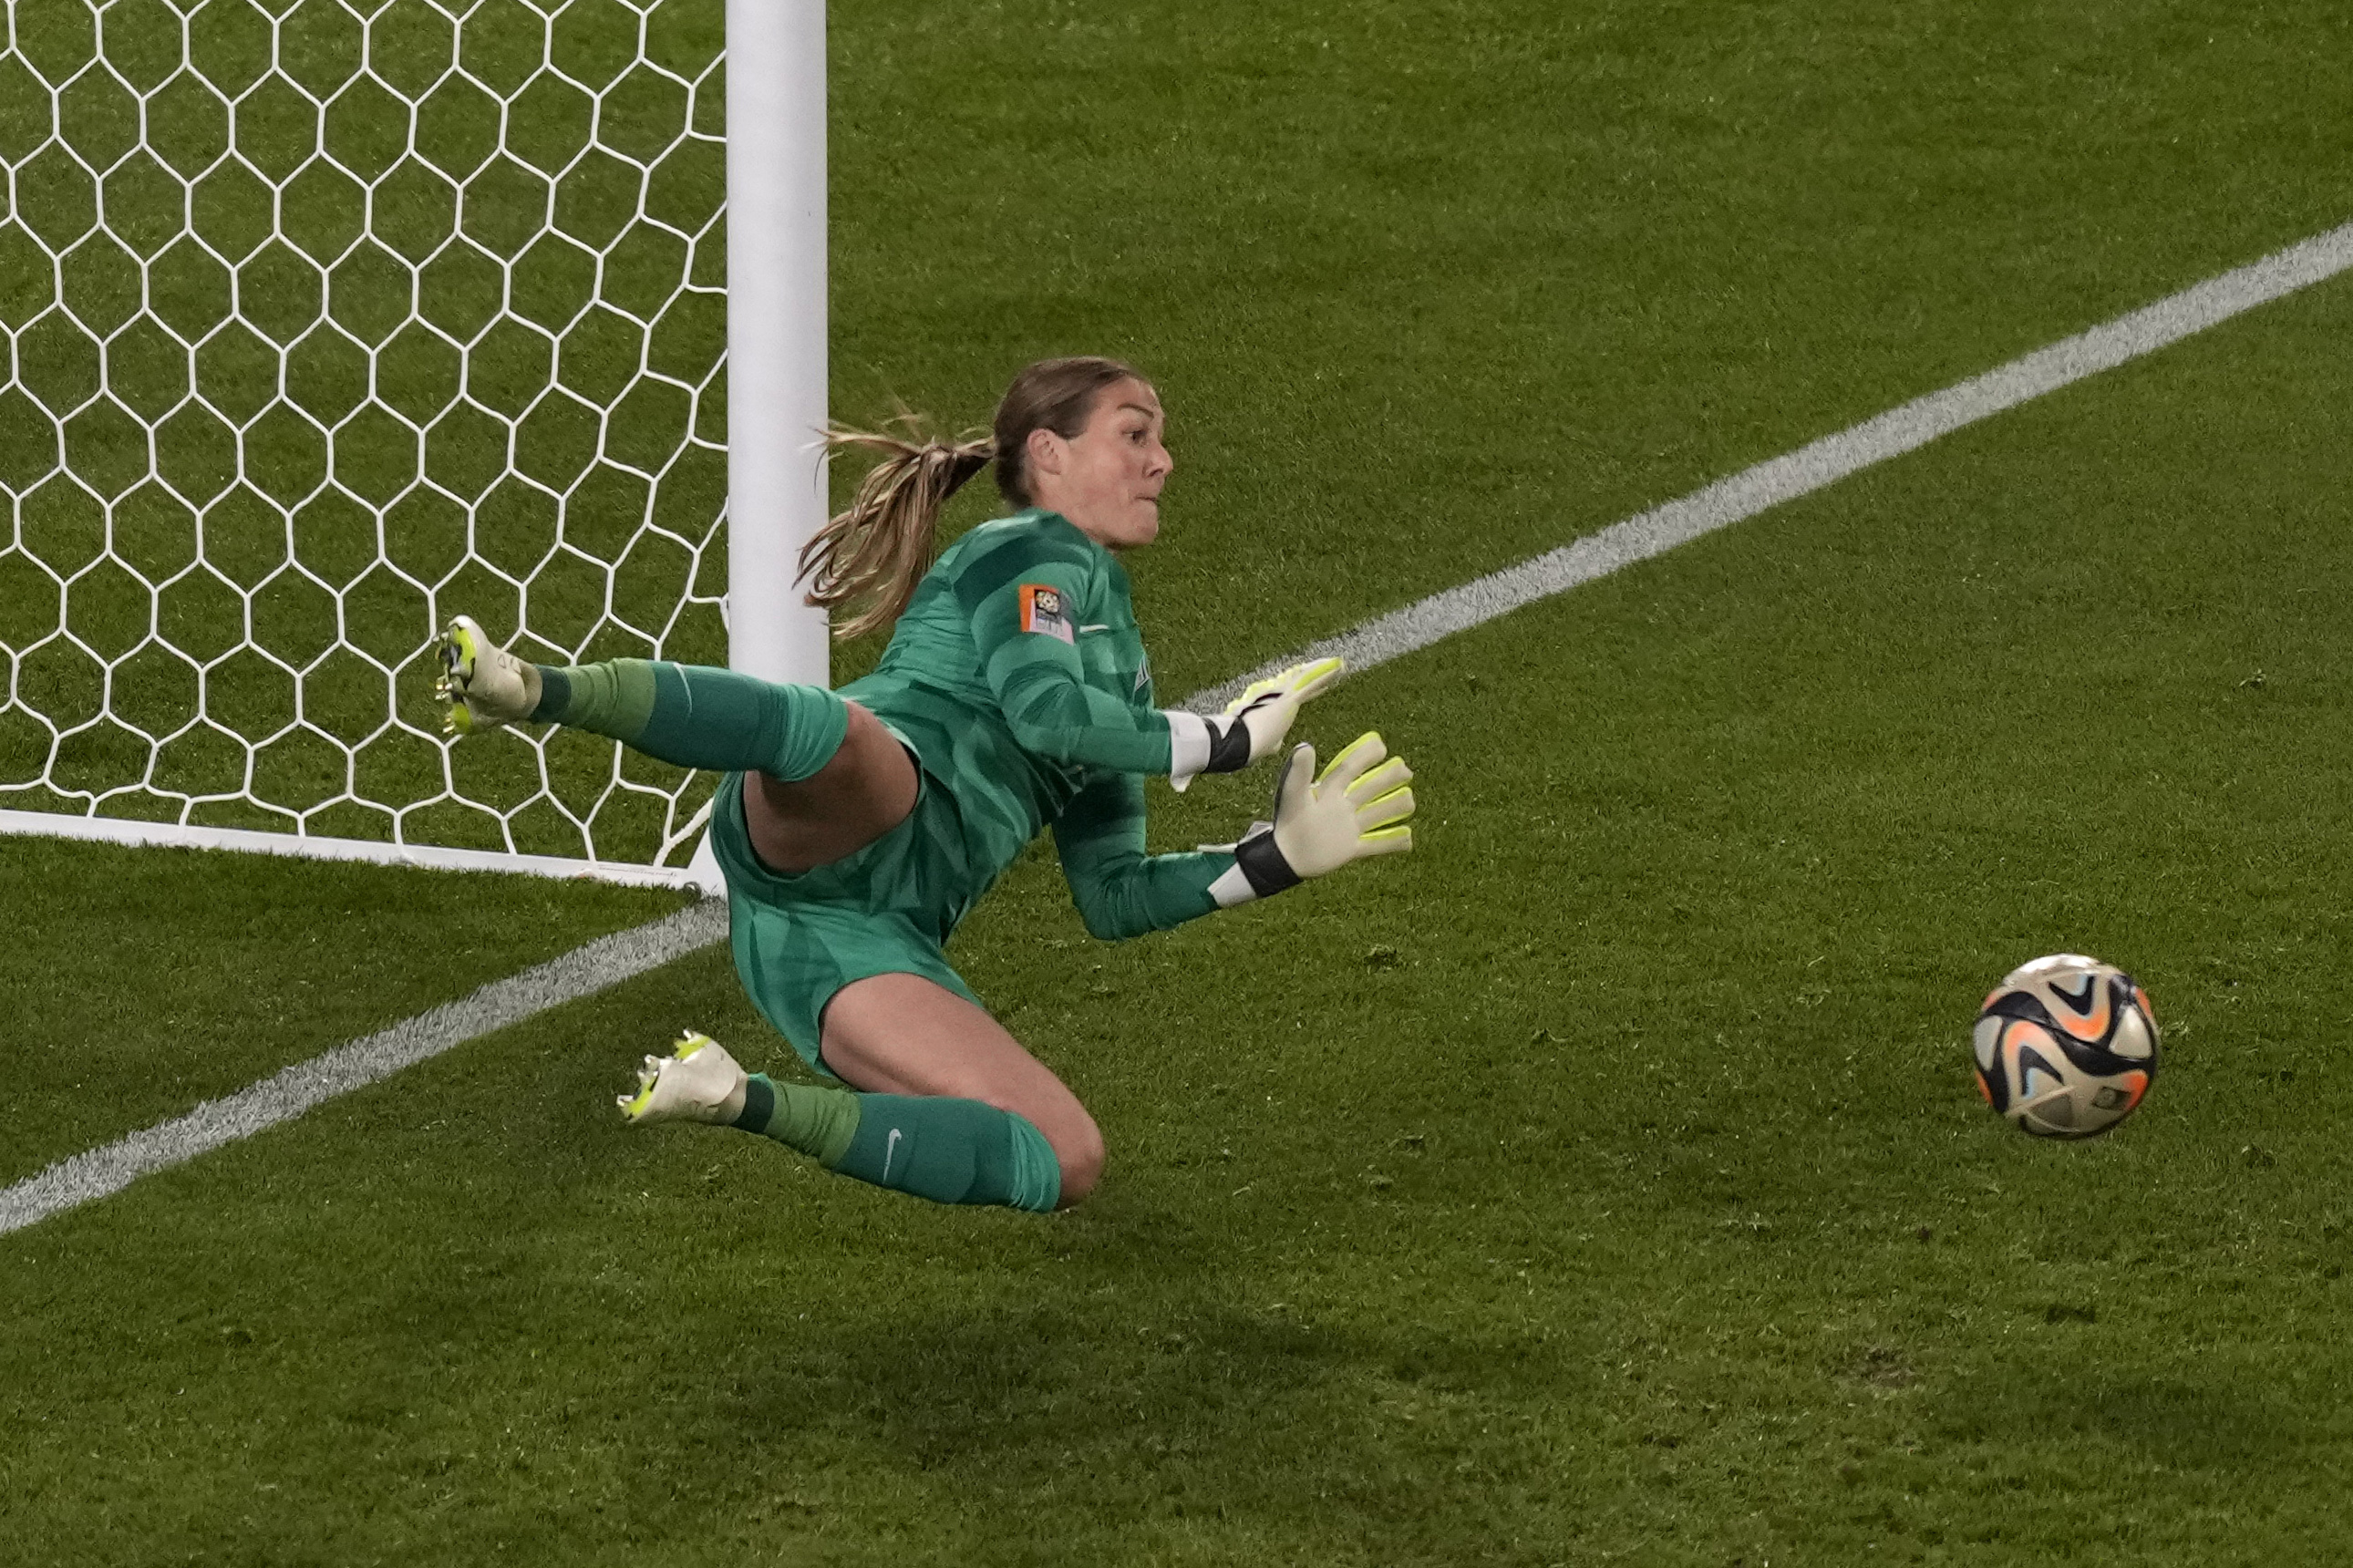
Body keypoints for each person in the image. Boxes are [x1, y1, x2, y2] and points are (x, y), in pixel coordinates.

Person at [434, 356, 1415, 1214]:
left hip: (851, 935)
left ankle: (735, 1095)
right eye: (1135, 435)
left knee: (1066, 1157)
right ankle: (531, 690)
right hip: (845, 809)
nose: (1162, 461)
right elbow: (1042, 714)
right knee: (849, 741)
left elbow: (1112, 895)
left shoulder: (1127, 682)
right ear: (1050, 454)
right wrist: (1224, 743)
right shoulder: (1023, 551)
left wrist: (1274, 858)